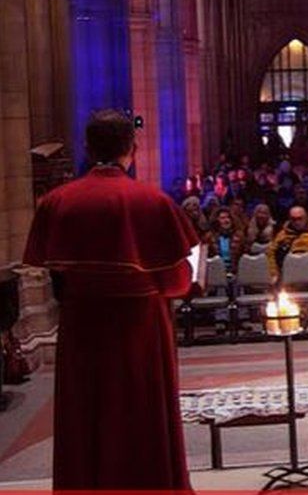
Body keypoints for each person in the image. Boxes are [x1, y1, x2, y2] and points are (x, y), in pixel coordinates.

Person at [22, 110, 196, 489]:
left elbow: (51, 272)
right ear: (133, 148)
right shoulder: (152, 201)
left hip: (82, 332)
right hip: (141, 334)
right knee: (143, 416)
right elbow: (177, 281)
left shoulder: (56, 202)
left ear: (87, 148)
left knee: (85, 418)